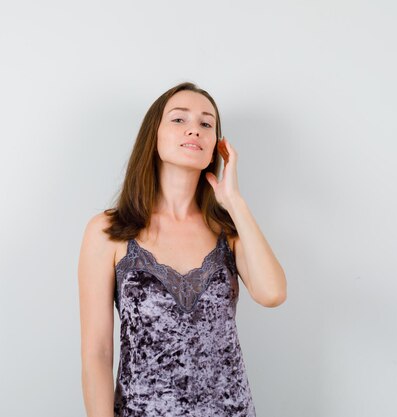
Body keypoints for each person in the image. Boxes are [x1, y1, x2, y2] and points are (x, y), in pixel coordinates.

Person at [78, 81, 287, 417]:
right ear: (154, 135)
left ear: (215, 146)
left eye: (206, 124)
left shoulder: (228, 232)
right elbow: (97, 353)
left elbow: (272, 294)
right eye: (179, 120)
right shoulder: (107, 232)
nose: (194, 129)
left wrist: (234, 202)